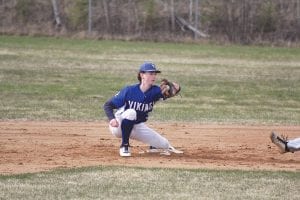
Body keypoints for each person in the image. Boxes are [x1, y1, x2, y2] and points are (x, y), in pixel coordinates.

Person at [103, 61, 182, 157]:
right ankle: (124, 146)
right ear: (142, 75)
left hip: (136, 126)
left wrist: (176, 88)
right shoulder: (129, 90)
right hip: (118, 125)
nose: (154, 76)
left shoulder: (156, 91)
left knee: (164, 144)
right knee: (131, 112)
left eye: (155, 74)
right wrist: (112, 119)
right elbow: (108, 105)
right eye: (150, 73)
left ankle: (154, 146)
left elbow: (173, 89)